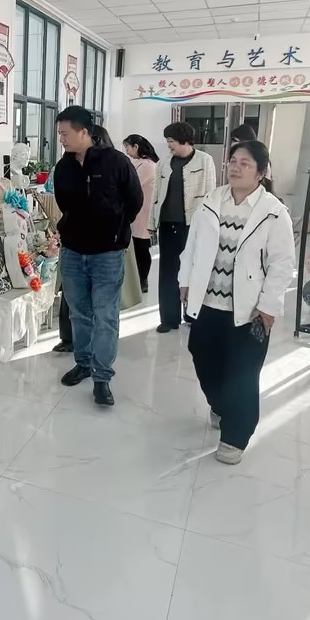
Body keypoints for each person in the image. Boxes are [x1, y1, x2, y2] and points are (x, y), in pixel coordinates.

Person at [178, 140, 295, 465]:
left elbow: (282, 264)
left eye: (245, 163)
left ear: (261, 172)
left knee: (243, 372)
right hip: (208, 303)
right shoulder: (211, 202)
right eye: (233, 161)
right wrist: (185, 281)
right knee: (202, 356)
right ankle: (220, 404)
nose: (235, 167)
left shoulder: (273, 212)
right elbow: (192, 246)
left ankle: (235, 436)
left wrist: (268, 306)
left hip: (249, 310)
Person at [53, 105, 143, 406]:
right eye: (59, 134)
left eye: (65, 133)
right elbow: (64, 204)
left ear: (84, 131)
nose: (61, 139)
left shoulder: (116, 162)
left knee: (105, 316)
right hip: (73, 252)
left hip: (107, 254)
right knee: (79, 313)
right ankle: (83, 362)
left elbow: (134, 200)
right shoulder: (64, 167)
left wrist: (115, 229)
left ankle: (102, 377)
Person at [152, 121, 216, 333]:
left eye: (171, 141)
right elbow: (156, 195)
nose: (168, 145)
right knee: (168, 271)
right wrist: (152, 223)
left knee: (194, 270)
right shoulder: (163, 163)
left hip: (192, 226)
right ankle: (169, 318)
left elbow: (210, 195)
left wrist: (209, 225)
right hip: (167, 224)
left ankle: (192, 314)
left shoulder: (205, 160)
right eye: (167, 141)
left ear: (184, 140)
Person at [123, 135, 160, 292]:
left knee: (141, 248)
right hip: (138, 212)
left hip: (144, 212)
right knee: (138, 246)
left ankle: (142, 280)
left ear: (136, 147)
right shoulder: (140, 163)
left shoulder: (147, 166)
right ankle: (138, 280)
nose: (126, 151)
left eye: (128, 147)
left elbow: (132, 185)